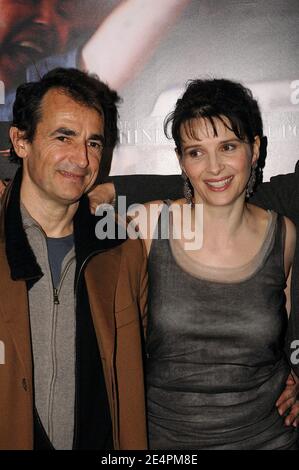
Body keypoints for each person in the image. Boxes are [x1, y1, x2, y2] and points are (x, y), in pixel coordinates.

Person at [90, 78, 299, 449]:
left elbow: (287, 337)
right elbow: (68, 227)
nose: (214, 168)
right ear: (181, 161)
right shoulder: (149, 224)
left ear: (254, 149)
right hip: (165, 441)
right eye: (196, 152)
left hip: (271, 438)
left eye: (228, 147)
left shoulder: (284, 235)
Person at [0, 67, 148, 450]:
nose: (82, 159)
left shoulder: (122, 249)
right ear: (20, 141)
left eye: (94, 143)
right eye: (64, 136)